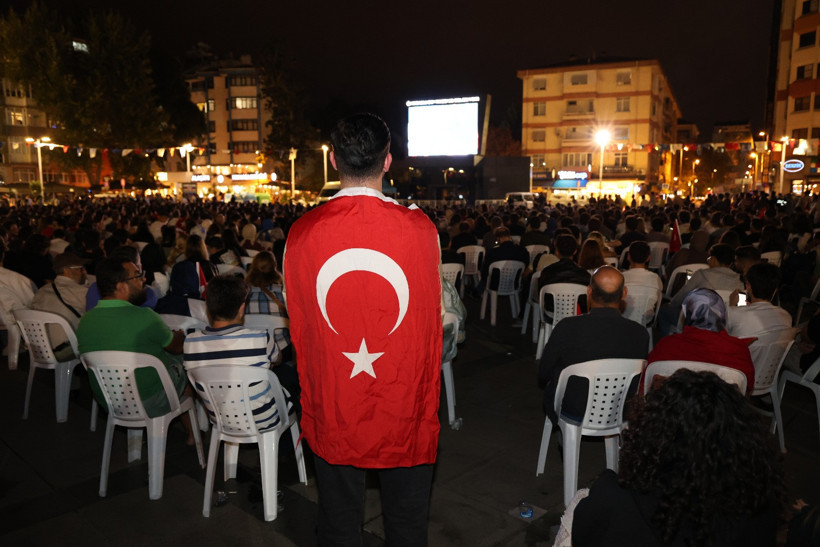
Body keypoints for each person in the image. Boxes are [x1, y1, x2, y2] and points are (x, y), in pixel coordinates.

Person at [283, 113, 442, 545]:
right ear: (388, 161)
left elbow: (299, 319)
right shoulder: (421, 229)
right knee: (407, 527)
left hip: (334, 398)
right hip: (403, 400)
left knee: (337, 523)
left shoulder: (300, 233)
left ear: (333, 161)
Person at [571, 369, 784, 546]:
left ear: (653, 433)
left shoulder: (616, 500)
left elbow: (582, 536)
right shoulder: (760, 508)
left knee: (579, 500)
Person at [77, 257, 193, 442]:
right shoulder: (145, 317)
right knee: (184, 363)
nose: (143, 279)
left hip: (109, 400)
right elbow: (177, 347)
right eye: (137, 276)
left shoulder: (85, 321)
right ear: (120, 286)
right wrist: (179, 335)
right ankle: (193, 433)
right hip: (150, 400)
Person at [183, 275, 300, 427]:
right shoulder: (260, 338)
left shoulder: (190, 342)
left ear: (208, 307)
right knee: (286, 376)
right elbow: (278, 359)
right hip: (264, 419)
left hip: (220, 419)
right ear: (241, 308)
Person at [538, 266, 648, 425]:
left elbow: (543, 373)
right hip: (619, 410)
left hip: (572, 409)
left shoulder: (567, 327)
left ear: (589, 291)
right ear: (624, 293)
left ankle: (568, 440)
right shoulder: (640, 333)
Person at [648, 288, 755, 392]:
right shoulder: (739, 349)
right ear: (721, 313)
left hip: (673, 407)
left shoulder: (666, 345)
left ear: (687, 313)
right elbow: (746, 387)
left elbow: (647, 383)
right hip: (721, 409)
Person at [656, 243, 743, 338]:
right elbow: (740, 307)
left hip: (696, 324)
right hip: (724, 325)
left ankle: (664, 344)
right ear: (730, 263)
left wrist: (672, 303)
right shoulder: (739, 281)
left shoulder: (701, 275)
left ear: (713, 259)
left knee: (664, 311)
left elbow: (681, 297)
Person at [31, 252, 89, 361]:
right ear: (67, 270)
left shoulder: (42, 291)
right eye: (81, 269)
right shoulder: (80, 292)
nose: (85, 272)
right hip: (66, 350)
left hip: (40, 349)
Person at [726, 262, 792, 339]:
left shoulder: (733, 314)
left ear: (748, 286)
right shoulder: (786, 317)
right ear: (775, 291)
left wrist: (732, 307)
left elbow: (724, 338)